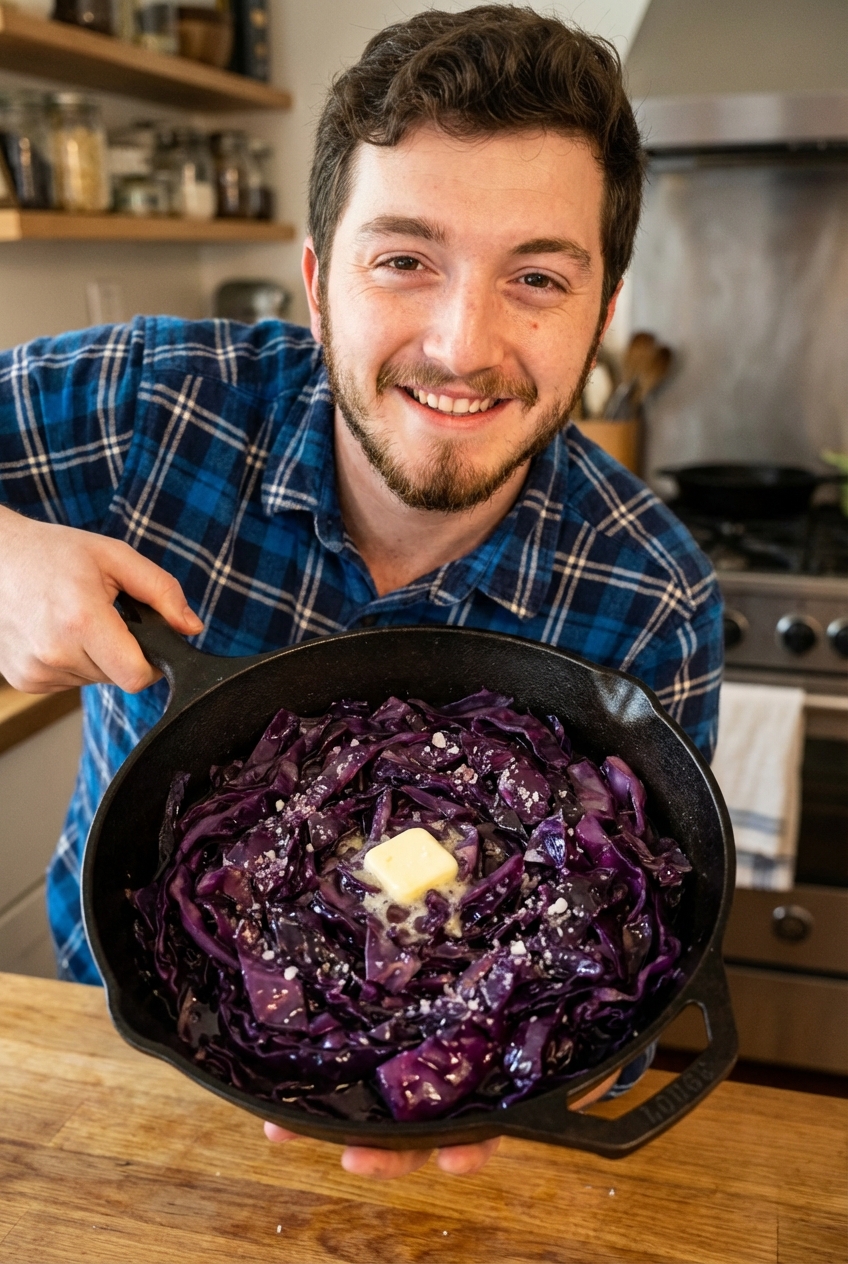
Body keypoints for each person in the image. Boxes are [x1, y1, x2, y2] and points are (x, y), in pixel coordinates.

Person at [0, 6, 722, 1179]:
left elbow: (644, 983)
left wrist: (506, 1072)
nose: (460, 343)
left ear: (602, 309)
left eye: (537, 276)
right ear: (315, 281)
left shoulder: (649, 595)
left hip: (471, 1148)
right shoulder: (149, 411)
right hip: (104, 1060)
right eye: (403, 260)